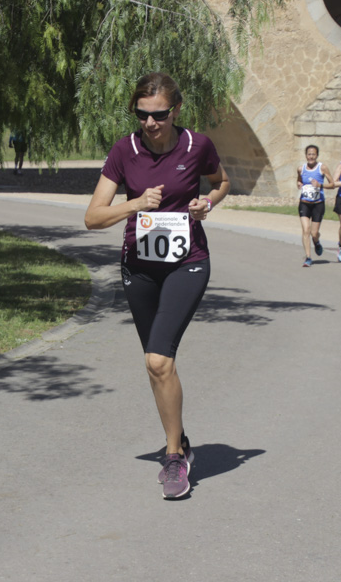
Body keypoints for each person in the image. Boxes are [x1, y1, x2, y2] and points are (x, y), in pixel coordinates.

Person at [84, 72, 230, 500]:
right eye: (142, 114)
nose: (150, 123)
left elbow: (222, 183)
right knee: (156, 364)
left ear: (176, 110)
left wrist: (207, 203)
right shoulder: (123, 151)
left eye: (159, 114)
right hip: (139, 268)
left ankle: (173, 457)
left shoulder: (197, 145)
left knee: (157, 359)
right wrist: (134, 202)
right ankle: (180, 440)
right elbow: (92, 217)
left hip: (188, 262)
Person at [296, 145, 334, 267]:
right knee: (305, 230)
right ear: (306, 155)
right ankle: (308, 257)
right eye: (309, 154)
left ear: (317, 155)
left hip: (318, 204)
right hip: (305, 203)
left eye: (313, 154)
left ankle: (316, 241)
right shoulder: (301, 168)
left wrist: (319, 185)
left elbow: (332, 184)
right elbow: (300, 179)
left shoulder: (322, 168)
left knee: (314, 233)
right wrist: (299, 183)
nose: (311, 156)